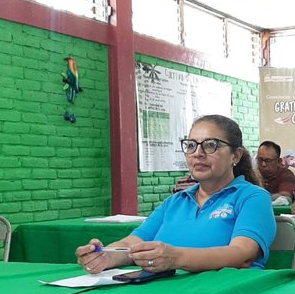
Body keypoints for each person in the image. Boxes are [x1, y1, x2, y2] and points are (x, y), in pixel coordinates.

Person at [76, 115, 276, 273]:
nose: (198, 153)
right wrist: (106, 255)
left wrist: (175, 258)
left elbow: (242, 254)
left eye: (210, 145)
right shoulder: (175, 202)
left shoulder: (252, 197)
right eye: (191, 145)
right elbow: (134, 243)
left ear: (236, 155)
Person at [256, 141, 295, 205]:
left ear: (278, 161)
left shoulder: (286, 175)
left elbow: (285, 197)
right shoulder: (251, 174)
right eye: (260, 160)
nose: (263, 164)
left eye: (268, 161)